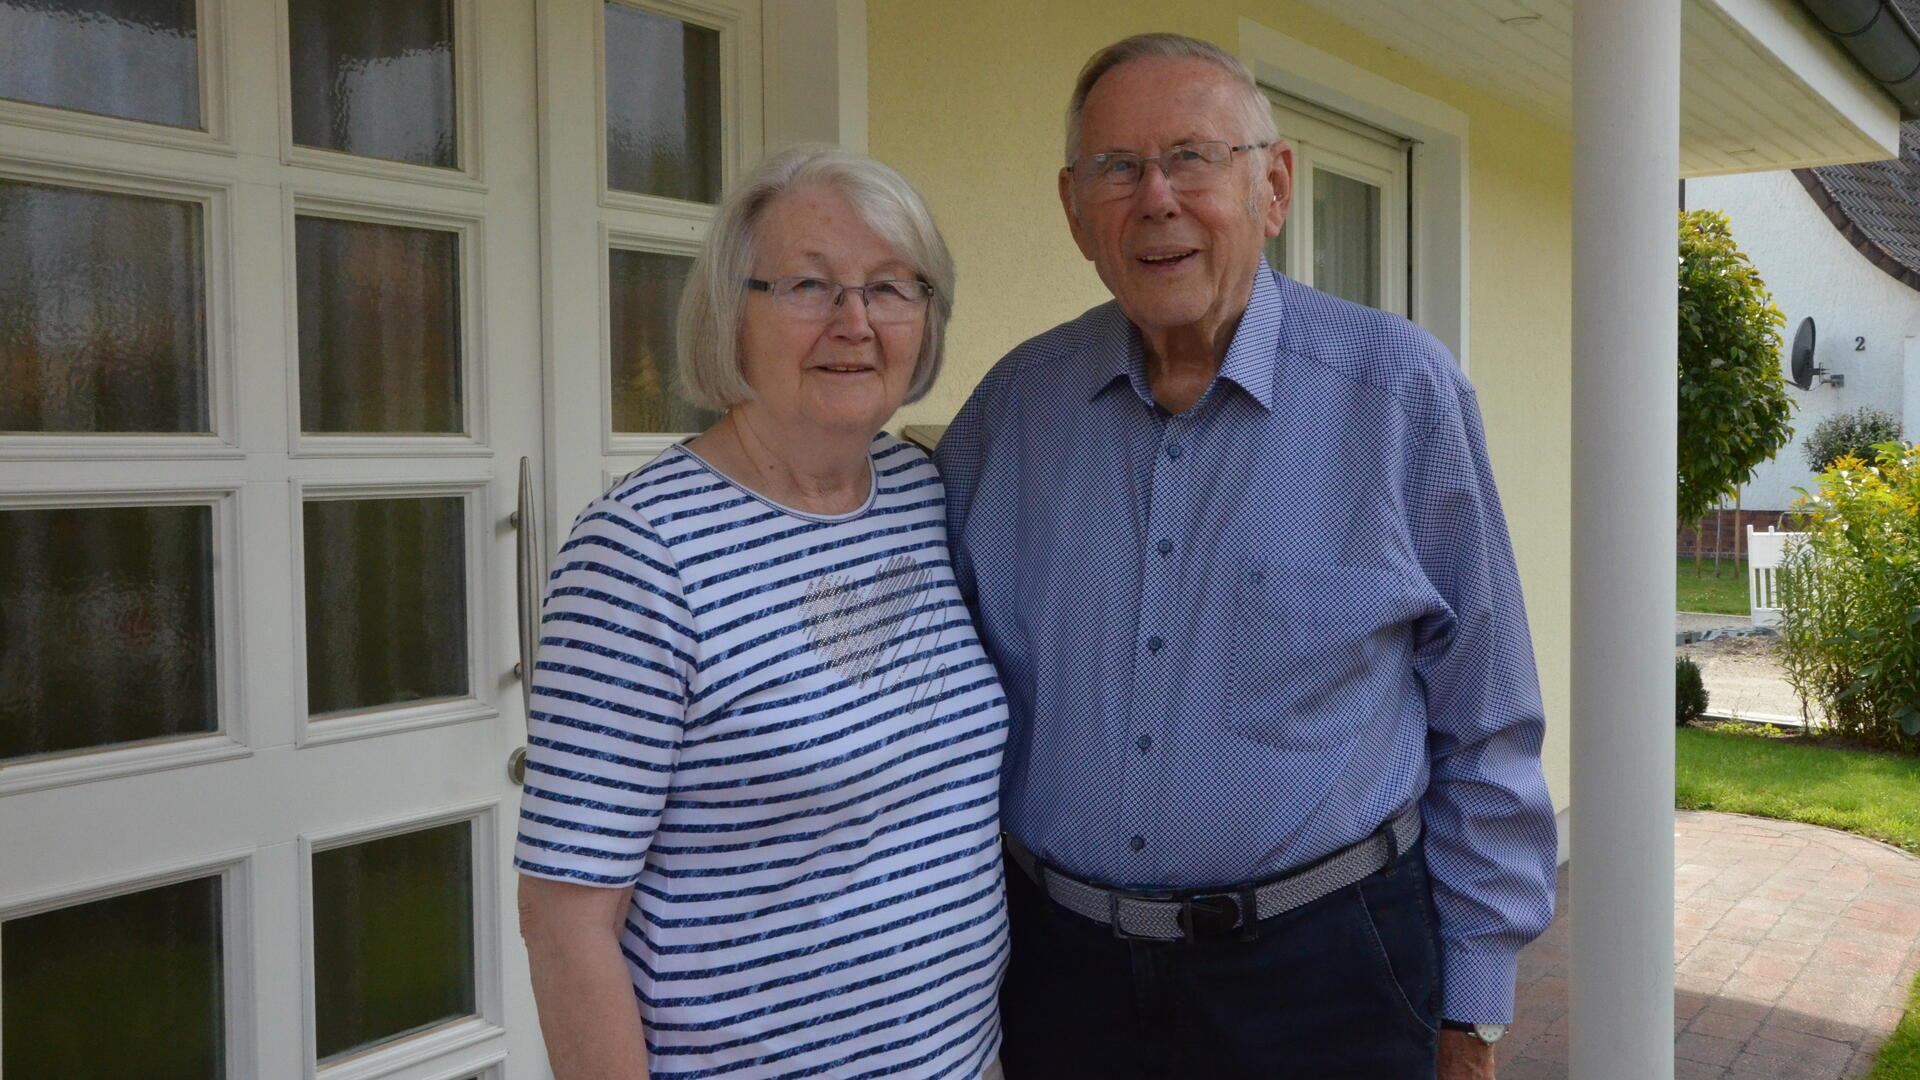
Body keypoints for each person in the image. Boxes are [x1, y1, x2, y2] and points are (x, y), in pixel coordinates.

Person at [935, 33, 1557, 1080]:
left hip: (1329, 978)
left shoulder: (1399, 393)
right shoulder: (1009, 417)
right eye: (1118, 168)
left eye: (1193, 156)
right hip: (1063, 979)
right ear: (1074, 208)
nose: (1156, 198)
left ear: (1273, 186)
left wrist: (1475, 1007)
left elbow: (1486, 716)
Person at [515, 145, 1008, 1080]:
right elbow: (565, 918)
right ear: (729, 315)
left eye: (892, 287)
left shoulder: (918, 492)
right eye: (807, 286)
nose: (854, 322)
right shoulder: (641, 551)